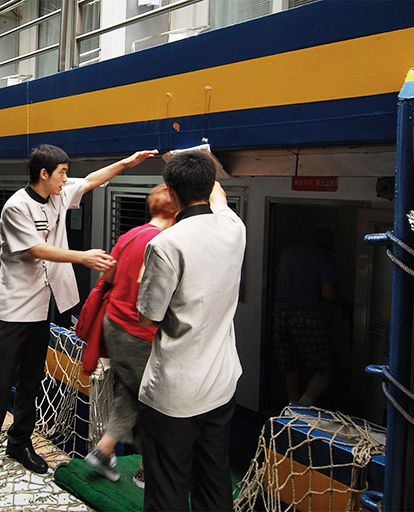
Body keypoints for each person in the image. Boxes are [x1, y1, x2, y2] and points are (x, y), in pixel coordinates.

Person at [0, 144, 158, 495]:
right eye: (63, 172)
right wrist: (81, 257)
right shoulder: (16, 207)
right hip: (11, 312)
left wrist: (128, 162)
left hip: (40, 311)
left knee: (31, 383)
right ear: (44, 174)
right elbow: (36, 249)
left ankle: (20, 442)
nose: (67, 179)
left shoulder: (58, 195)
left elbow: (93, 181)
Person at [136, 151, 246, 511]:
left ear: (170, 192)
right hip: (220, 385)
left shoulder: (166, 244)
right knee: (214, 482)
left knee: (167, 489)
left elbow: (149, 317)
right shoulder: (233, 227)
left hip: (175, 394)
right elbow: (220, 198)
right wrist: (204, 161)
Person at [84, 184, 177, 489]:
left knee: (132, 393)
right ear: (177, 210)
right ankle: (146, 471)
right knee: (155, 400)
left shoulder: (131, 234)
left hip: (115, 326)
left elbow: (108, 276)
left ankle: (104, 451)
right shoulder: (167, 241)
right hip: (140, 333)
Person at [272, 229, 339, 407]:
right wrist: (346, 303)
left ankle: (291, 405)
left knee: (290, 364)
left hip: (281, 313)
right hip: (308, 316)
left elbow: (279, 284)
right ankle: (304, 405)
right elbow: (328, 293)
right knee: (325, 368)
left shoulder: (289, 252)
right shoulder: (324, 257)